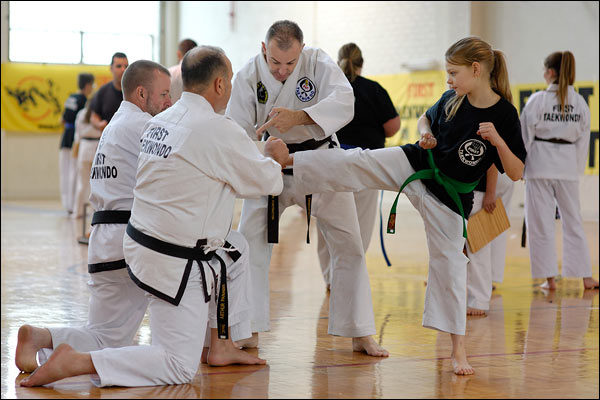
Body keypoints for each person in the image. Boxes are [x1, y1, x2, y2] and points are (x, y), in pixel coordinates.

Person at [19, 46, 288, 388]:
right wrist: (273, 157)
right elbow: (267, 182)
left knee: (110, 333)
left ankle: (219, 343)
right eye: (231, 80)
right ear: (220, 85)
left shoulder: (158, 123)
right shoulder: (215, 127)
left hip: (135, 243)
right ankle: (81, 361)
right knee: (178, 364)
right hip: (170, 257)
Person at [285, 36, 527, 375]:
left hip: (450, 197)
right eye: (447, 73)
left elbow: (516, 172)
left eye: (453, 72)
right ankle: (292, 161)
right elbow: (425, 120)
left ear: (476, 70)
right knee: (361, 162)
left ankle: (459, 352)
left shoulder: (504, 113)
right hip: (418, 162)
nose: (448, 79)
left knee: (453, 267)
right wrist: (426, 133)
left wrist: (498, 141)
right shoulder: (452, 98)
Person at [225, 20, 388, 357]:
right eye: (275, 62)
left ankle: (359, 332)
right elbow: (235, 131)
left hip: (320, 160)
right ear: (263, 49)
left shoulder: (317, 62)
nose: (282, 71)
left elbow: (345, 101)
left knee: (349, 243)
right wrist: (262, 151)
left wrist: (298, 118)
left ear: (301, 51)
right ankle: (249, 328)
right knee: (251, 243)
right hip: (271, 166)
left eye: (290, 63)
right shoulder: (247, 76)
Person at [16, 59, 173, 376]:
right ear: (142, 94)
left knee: (105, 336)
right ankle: (217, 344)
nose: (170, 102)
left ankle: (42, 337)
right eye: (165, 94)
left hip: (103, 242)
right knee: (206, 271)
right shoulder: (145, 127)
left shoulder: (114, 126)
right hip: (133, 241)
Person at [317, 42, 400, 287]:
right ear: (361, 63)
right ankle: (349, 275)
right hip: (365, 164)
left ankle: (330, 277)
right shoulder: (373, 90)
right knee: (360, 224)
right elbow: (392, 127)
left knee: (327, 220)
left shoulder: (328, 90)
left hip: (330, 163)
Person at [520, 51, 599, 291]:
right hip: (567, 166)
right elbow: (583, 142)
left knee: (540, 223)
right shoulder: (580, 104)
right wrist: (573, 170)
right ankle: (586, 277)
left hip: (539, 166)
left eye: (545, 71)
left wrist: (522, 168)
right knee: (573, 221)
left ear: (551, 73)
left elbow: (524, 137)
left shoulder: (537, 100)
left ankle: (550, 279)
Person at [465, 166, 514, 315]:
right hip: (491, 178)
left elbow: (491, 160)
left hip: (487, 180)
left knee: (479, 238)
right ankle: (491, 280)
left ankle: (481, 295)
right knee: (491, 233)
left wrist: (490, 193)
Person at [59, 73, 95, 214]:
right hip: (76, 140)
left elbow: (63, 119)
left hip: (65, 138)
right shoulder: (84, 101)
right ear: (87, 85)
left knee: (65, 172)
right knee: (74, 173)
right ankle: (74, 205)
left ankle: (67, 204)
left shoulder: (71, 97)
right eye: (92, 85)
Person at [72, 99, 102, 219]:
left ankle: (77, 211)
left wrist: (76, 146)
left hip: (84, 147)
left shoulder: (81, 114)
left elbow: (77, 132)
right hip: (96, 147)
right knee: (96, 183)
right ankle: (94, 211)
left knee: (82, 182)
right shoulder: (98, 114)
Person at [90, 52, 128, 133]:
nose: (123, 70)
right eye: (119, 66)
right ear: (111, 68)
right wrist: (99, 124)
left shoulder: (136, 92)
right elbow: (94, 116)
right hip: (109, 139)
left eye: (126, 66)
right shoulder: (103, 91)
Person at [169, 38, 198, 102]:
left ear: (178, 54)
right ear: (197, 53)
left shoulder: (168, 73)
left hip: (171, 110)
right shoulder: (203, 73)